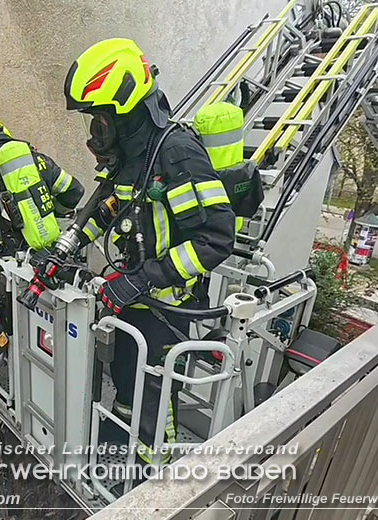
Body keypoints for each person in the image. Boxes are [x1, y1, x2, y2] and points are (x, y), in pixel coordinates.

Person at [62, 39, 236, 462]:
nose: (96, 131)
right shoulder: (133, 156)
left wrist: (141, 280)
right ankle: (118, 439)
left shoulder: (176, 154)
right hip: (135, 297)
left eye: (100, 119)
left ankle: (153, 472)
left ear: (127, 110)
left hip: (168, 307)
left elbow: (216, 238)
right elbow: (112, 205)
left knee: (156, 396)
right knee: (125, 375)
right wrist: (70, 243)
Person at [0, 116, 84, 300]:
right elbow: (75, 191)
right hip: (53, 260)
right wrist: (49, 214)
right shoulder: (39, 161)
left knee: (14, 318)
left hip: (7, 272)